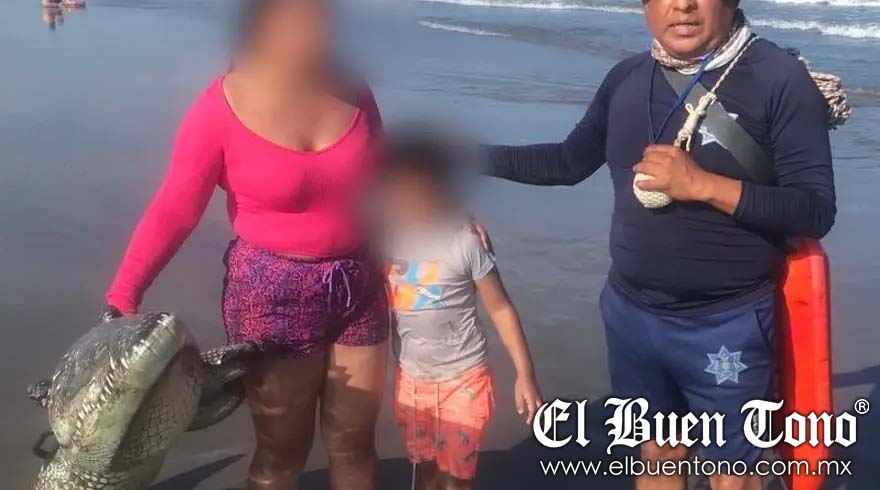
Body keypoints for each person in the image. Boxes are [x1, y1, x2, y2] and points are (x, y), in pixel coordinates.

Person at [483, 1, 836, 489]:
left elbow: (814, 209)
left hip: (727, 325)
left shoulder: (779, 78)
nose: (682, 5)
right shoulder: (627, 78)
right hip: (631, 318)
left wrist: (703, 185)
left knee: (732, 474)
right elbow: (568, 161)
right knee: (658, 456)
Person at [104, 0, 388, 488]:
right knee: (282, 452)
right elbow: (175, 208)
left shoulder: (356, 90)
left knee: (355, 443)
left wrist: (442, 219)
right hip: (272, 295)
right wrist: (123, 295)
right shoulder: (220, 107)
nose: (318, 31)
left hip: (359, 284)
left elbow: (386, 179)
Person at [381, 132, 543, 490]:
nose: (410, 201)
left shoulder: (466, 243)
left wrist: (525, 373)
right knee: (424, 468)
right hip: (413, 381)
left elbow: (500, 308)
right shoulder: (386, 243)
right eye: (400, 191)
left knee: (458, 473)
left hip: (464, 378)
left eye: (421, 190)